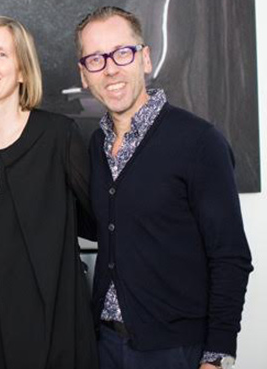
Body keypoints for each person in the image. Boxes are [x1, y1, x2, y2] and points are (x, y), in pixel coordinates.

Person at [75, 6, 253, 369]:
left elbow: (230, 255)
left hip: (173, 351)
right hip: (105, 343)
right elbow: (111, 227)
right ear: (83, 75)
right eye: (95, 59)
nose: (110, 69)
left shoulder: (199, 142)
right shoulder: (95, 145)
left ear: (145, 59)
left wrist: (216, 356)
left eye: (122, 52)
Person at [0, 16, 98, 369]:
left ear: (22, 72)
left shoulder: (60, 136)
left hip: (52, 334)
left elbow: (99, 223)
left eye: (1, 54)